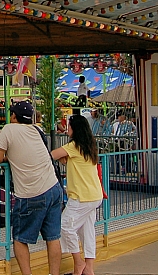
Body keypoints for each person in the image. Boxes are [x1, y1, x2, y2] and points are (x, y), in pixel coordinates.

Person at [0, 100, 62, 275]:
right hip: (53, 187)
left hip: (32, 192)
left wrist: (9, 158)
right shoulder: (38, 130)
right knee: (53, 237)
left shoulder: (9, 129)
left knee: (20, 238)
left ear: (14, 116)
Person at [52, 115, 104, 275]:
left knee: (65, 227)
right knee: (86, 231)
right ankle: (89, 268)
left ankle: (78, 262)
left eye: (69, 126)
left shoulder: (73, 146)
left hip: (81, 197)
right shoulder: (89, 146)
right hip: (94, 195)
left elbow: (51, 155)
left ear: (76, 129)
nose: (66, 129)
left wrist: (62, 156)